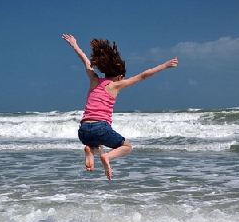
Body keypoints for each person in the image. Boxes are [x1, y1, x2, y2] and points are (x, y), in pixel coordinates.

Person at [62, 34, 178, 180]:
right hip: (101, 128)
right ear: (119, 77)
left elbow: (85, 60)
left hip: (84, 130)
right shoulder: (116, 85)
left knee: (98, 146)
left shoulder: (94, 80)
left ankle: (90, 152)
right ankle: (107, 158)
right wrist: (164, 65)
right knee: (126, 147)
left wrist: (74, 45)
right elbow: (142, 76)